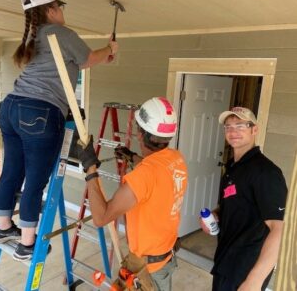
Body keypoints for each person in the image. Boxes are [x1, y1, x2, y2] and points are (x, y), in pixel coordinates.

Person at [0, 0, 118, 262]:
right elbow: (86, 59)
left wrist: (103, 56)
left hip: (10, 107)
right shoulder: (60, 33)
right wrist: (109, 50)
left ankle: (2, 227)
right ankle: (27, 245)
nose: (62, 12)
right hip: (39, 112)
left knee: (11, 172)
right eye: (59, 7)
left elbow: (79, 62)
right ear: (50, 10)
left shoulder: (33, 35)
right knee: (35, 182)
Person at [77, 97, 188, 291]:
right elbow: (154, 171)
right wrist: (131, 156)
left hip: (149, 269)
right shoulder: (176, 159)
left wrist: (90, 169)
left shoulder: (143, 175)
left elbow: (101, 218)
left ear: (140, 133)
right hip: (164, 257)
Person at [200, 107, 287, 291]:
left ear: (254, 129)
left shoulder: (266, 172)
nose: (233, 131)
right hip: (226, 258)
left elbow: (279, 230)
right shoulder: (233, 167)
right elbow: (234, 205)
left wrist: (254, 281)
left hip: (245, 268)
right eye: (228, 127)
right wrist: (215, 216)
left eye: (240, 125)